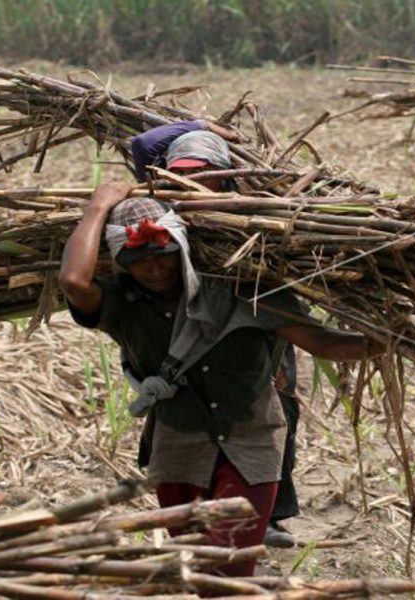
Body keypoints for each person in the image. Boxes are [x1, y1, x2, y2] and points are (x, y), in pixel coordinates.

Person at [58, 183, 382, 577]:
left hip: (251, 444)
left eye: (164, 256)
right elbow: (74, 282)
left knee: (229, 565)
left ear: (182, 246)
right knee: (199, 571)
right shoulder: (120, 307)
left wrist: (388, 341)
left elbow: (321, 341)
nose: (154, 269)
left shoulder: (243, 292)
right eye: (139, 261)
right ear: (122, 264)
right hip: (178, 452)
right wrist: (98, 206)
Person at [131, 122, 302, 548]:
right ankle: (198, 503)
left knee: (278, 405)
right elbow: (143, 143)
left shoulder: (249, 211)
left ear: (224, 173)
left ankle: (272, 514)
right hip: (188, 323)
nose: (189, 181)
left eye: (201, 172)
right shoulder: (160, 212)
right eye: (181, 172)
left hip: (254, 321)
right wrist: (201, 127)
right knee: (186, 404)